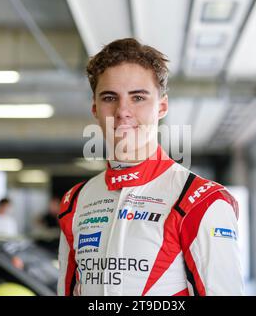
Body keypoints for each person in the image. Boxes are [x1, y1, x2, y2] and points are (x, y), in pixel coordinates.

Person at [57, 38, 243, 296]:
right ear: (95, 108)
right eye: (110, 97)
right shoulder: (75, 201)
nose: (123, 111)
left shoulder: (201, 201)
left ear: (162, 107)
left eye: (138, 98)